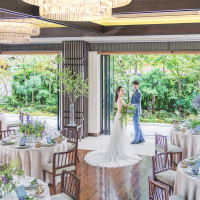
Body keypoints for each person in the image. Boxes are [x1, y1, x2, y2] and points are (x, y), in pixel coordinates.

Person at [84, 86, 142, 168]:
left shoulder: (120, 99)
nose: (123, 91)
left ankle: (118, 150)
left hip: (119, 118)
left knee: (119, 135)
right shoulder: (120, 99)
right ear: (118, 92)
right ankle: (117, 151)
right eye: (121, 90)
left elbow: (121, 109)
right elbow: (120, 110)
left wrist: (127, 106)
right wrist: (128, 107)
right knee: (118, 134)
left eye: (123, 90)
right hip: (119, 118)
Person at [131, 80, 145, 144]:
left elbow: (138, 103)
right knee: (137, 124)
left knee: (136, 125)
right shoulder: (134, 92)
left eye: (136, 85)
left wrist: (131, 105)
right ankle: (141, 138)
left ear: (138, 85)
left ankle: (136, 140)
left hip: (137, 110)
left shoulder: (138, 93)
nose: (134, 86)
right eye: (134, 84)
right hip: (134, 110)